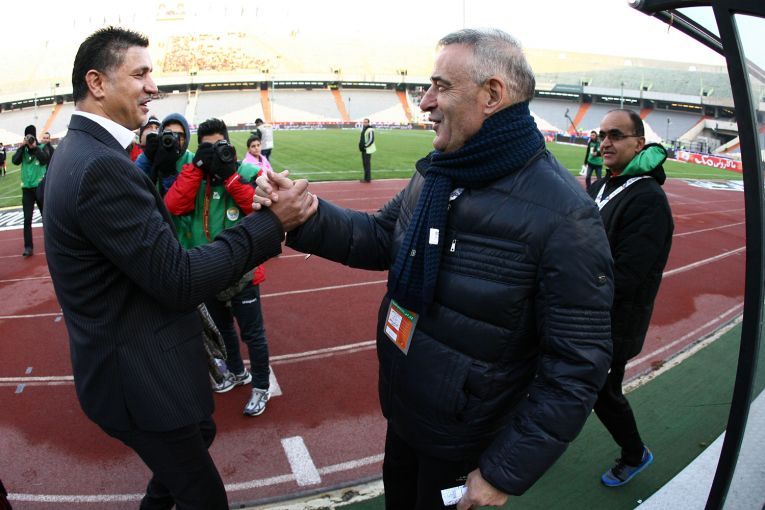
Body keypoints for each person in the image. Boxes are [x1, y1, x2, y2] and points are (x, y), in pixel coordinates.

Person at [256, 28, 614, 509]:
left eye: (440, 87)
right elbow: (381, 237)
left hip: (467, 440)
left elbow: (576, 366)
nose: (424, 102)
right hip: (406, 412)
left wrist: (505, 470)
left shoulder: (565, 215)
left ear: (492, 95)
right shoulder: (437, 173)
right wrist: (307, 216)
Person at [43, 26, 316, 510]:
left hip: (129, 365)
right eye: (141, 74)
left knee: (197, 439)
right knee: (203, 495)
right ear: (97, 83)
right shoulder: (100, 165)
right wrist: (272, 224)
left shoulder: (80, 151)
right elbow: (179, 279)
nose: (154, 87)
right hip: (138, 379)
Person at [164, 118, 273, 416]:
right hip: (208, 268)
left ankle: (261, 387)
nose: (214, 154)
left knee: (253, 334)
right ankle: (237, 372)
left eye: (219, 147)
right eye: (206, 149)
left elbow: (258, 206)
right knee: (222, 329)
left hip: (243, 271)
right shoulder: (193, 175)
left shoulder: (245, 172)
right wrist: (197, 167)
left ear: (230, 146)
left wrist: (230, 177)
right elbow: (173, 206)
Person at [589, 109, 673, 487]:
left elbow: (627, 276)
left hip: (614, 323)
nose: (605, 142)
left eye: (616, 135)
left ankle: (635, 454)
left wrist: (573, 286)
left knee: (603, 393)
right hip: (582, 311)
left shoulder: (648, 199)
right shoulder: (602, 186)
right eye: (602, 135)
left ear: (639, 143)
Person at [13, 125, 50, 257]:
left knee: (46, 217)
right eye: (27, 137)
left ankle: (51, 243)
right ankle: (28, 247)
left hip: (39, 187)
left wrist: (35, 147)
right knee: (27, 219)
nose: (29, 139)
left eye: (31, 137)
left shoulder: (41, 147)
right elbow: (15, 161)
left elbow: (44, 160)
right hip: (27, 189)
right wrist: (22, 146)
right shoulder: (23, 150)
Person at [137, 113, 193, 195]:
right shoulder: (151, 155)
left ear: (186, 138)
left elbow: (181, 198)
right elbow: (133, 183)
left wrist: (169, 174)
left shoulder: (192, 161)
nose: (173, 139)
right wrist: (147, 157)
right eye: (168, 134)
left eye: (179, 135)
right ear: (160, 135)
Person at [358, 118, 375, 182]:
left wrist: (365, 146)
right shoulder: (364, 129)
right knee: (364, 164)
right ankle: (366, 178)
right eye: (364, 122)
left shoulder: (370, 130)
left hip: (367, 150)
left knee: (367, 164)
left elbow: (371, 140)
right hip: (363, 150)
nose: (364, 123)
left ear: (368, 123)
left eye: (366, 122)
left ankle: (367, 179)